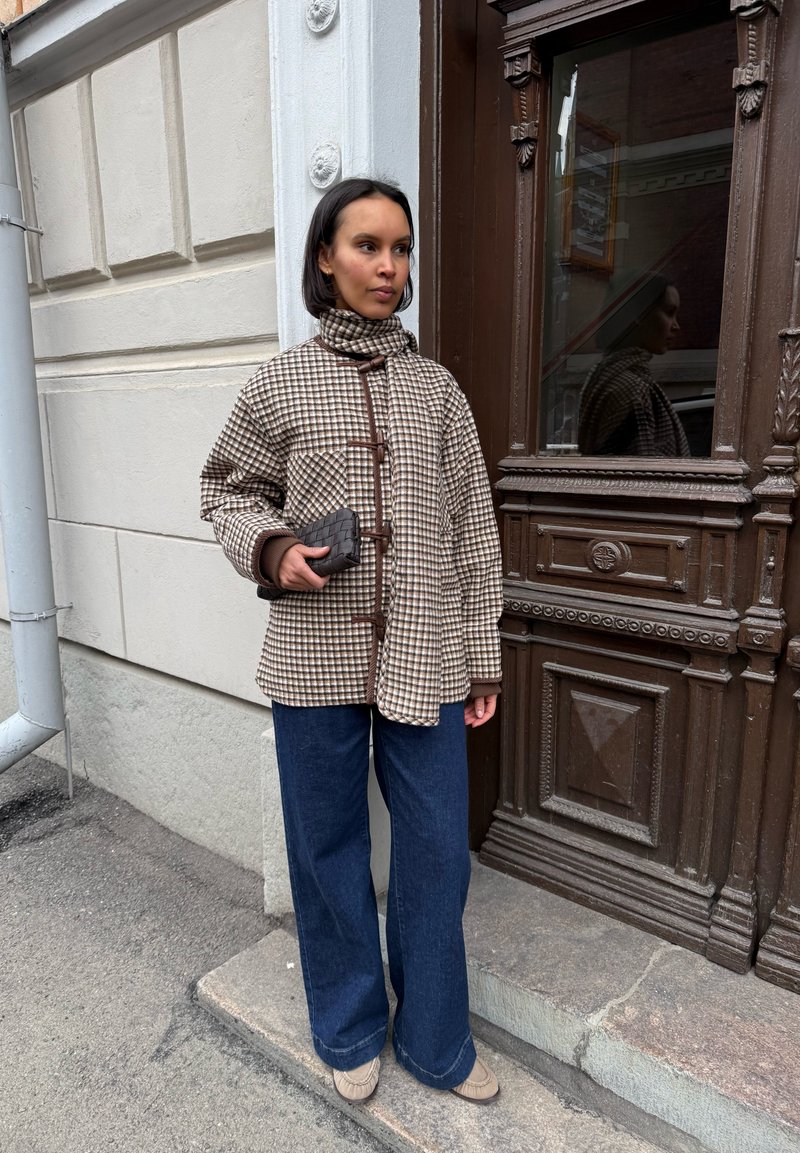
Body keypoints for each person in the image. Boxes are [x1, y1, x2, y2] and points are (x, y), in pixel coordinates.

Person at [200, 178, 503, 1104]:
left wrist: (480, 650)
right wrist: (274, 547)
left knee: (435, 850)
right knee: (326, 847)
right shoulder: (279, 382)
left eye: (401, 248)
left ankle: (438, 1039)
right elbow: (225, 489)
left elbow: (472, 526)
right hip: (313, 655)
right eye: (368, 245)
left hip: (424, 652)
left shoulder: (438, 391)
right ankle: (348, 1023)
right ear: (325, 258)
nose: (389, 266)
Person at [577, 273, 690, 457]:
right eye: (669, 312)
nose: (676, 326)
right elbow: (640, 472)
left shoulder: (608, 375)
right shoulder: (632, 389)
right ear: (640, 314)